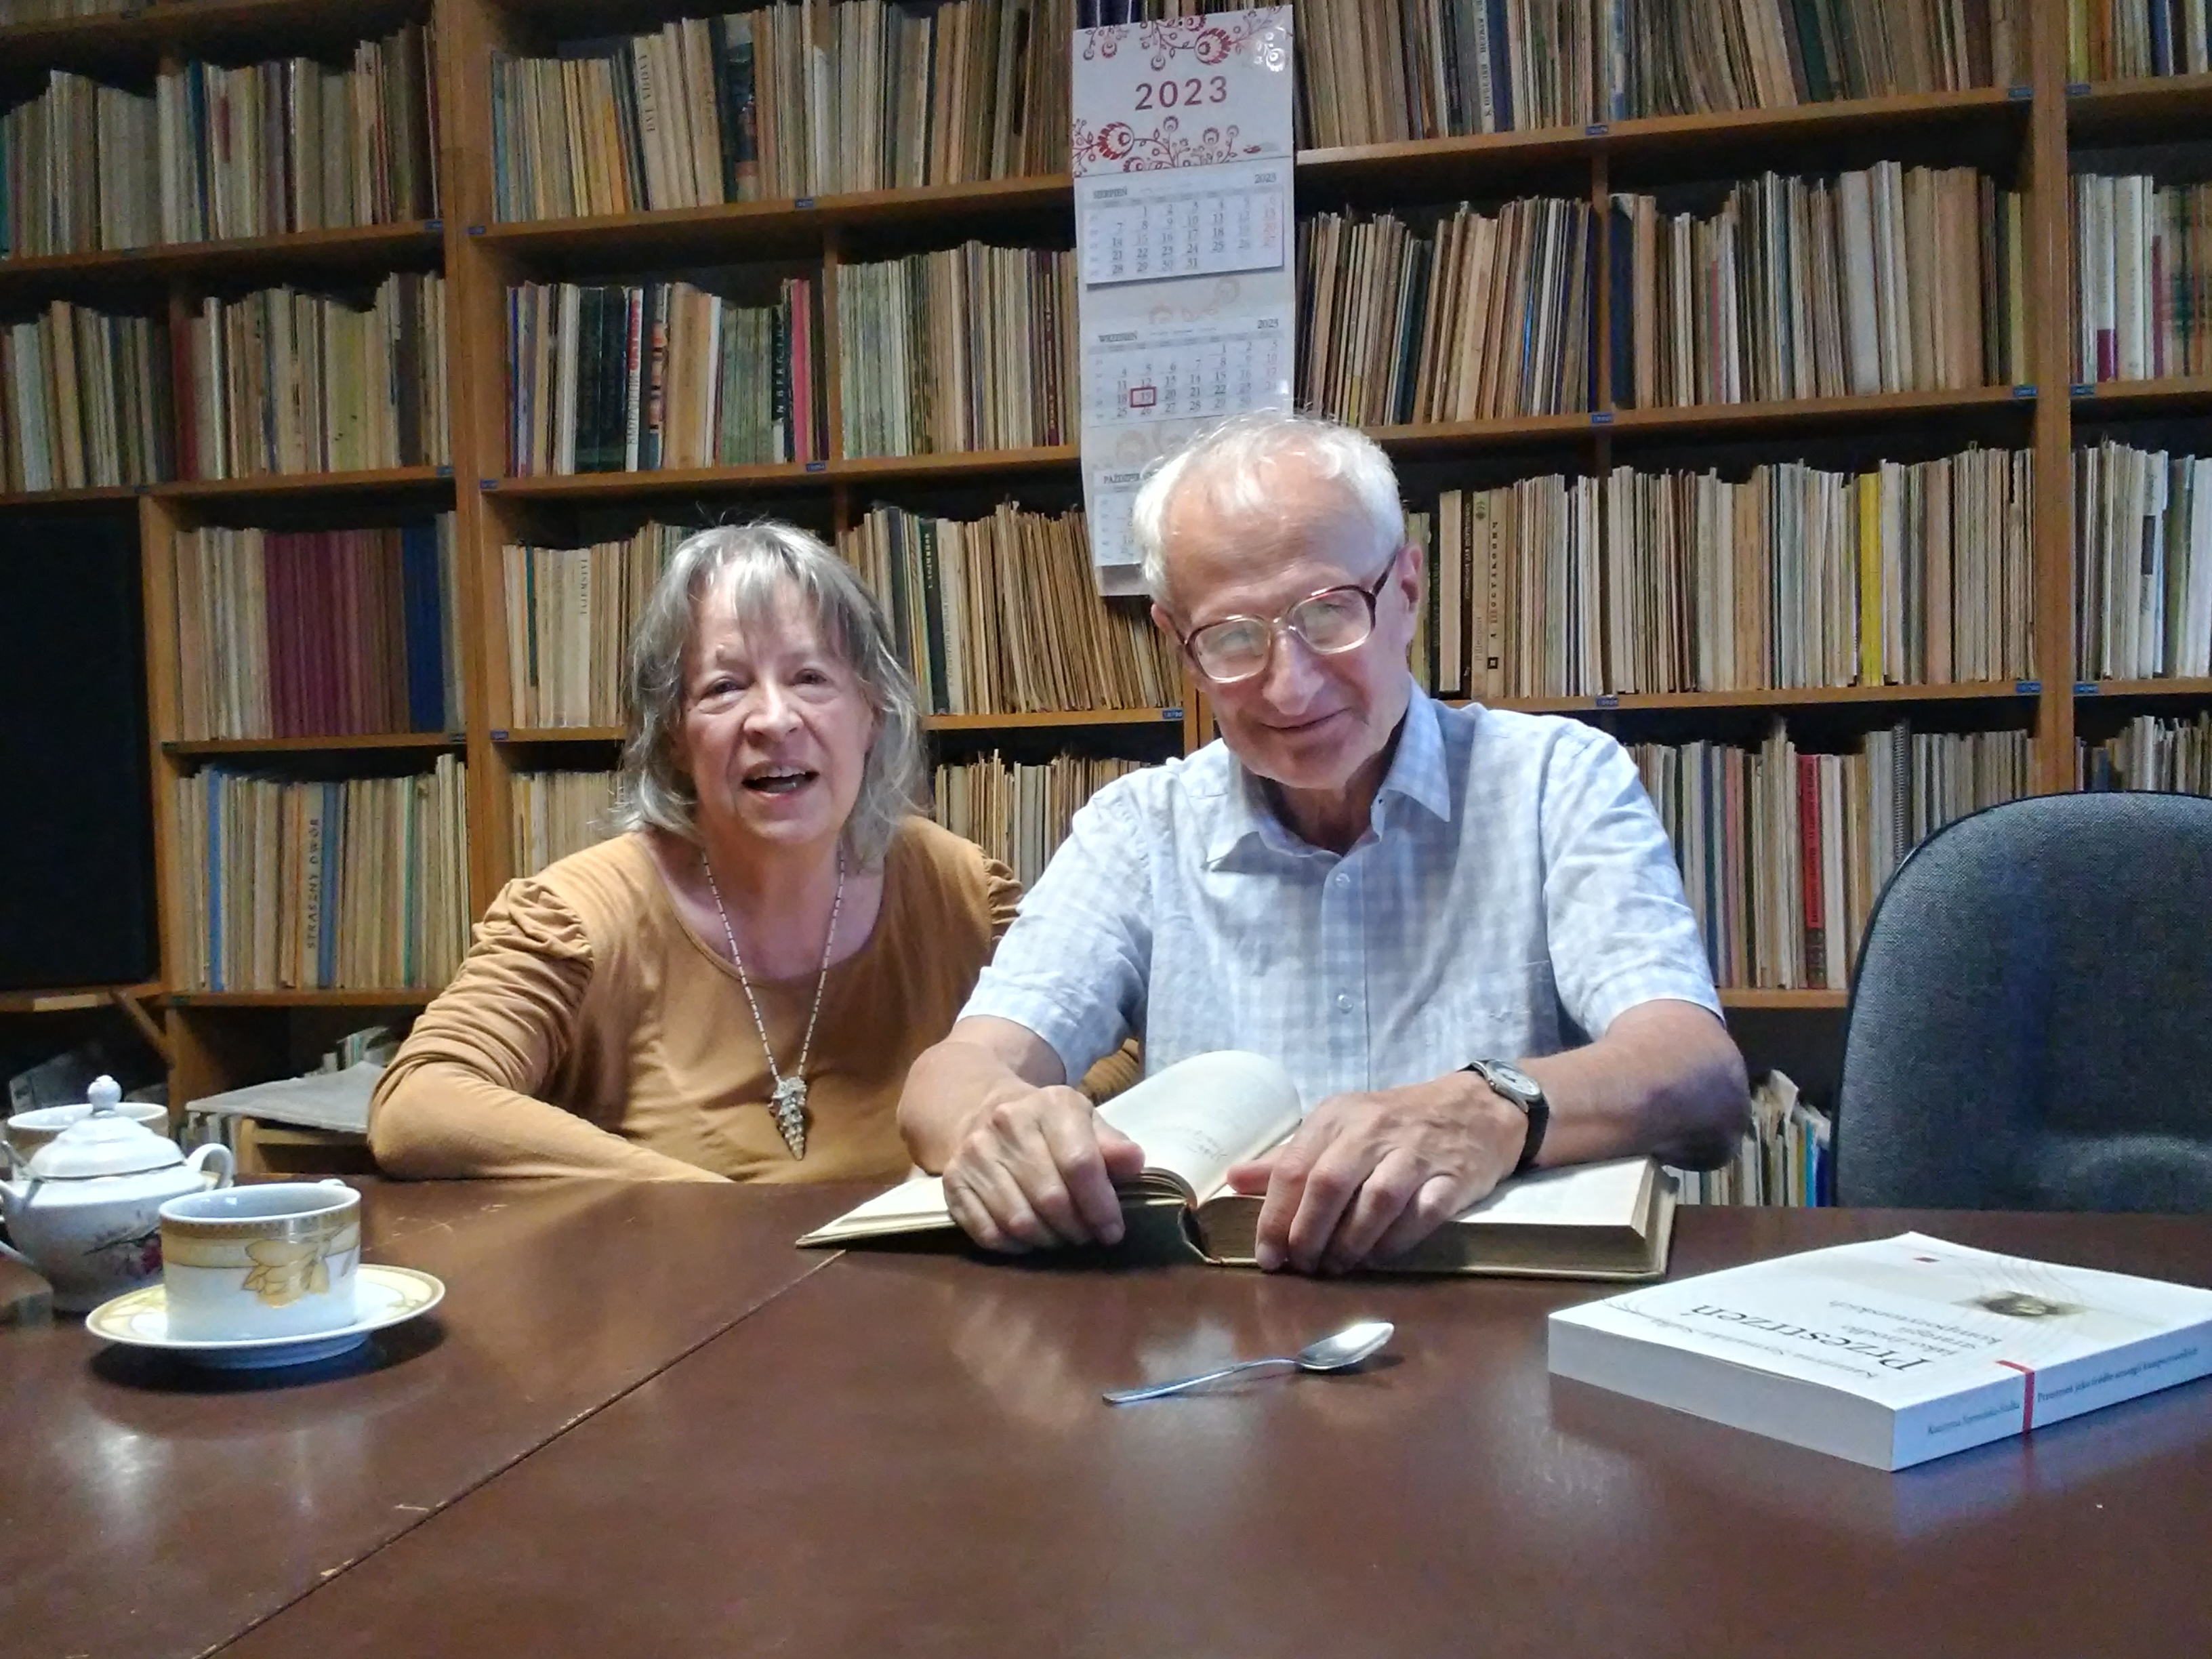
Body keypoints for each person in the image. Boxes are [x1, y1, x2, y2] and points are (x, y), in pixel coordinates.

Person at [899, 411, 1749, 1271]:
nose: (1291, 685)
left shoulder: (1553, 780)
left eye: (1330, 613)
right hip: (1221, 1328)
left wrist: (1494, 1106)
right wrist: (998, 1130)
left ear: (1406, 593)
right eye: (1232, 637)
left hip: (1504, 1316)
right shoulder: (1139, 828)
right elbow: (953, 1075)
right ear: (1181, 649)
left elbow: (1697, 1077)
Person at [369, 521, 1020, 1183]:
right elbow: (420, 1102)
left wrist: (1008, 1136)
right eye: (725, 688)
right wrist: (703, 1202)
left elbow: (1117, 1057)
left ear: (872, 712)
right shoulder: (579, 918)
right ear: (676, 736)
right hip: (672, 1282)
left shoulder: (959, 889)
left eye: (811, 677)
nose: (774, 719)